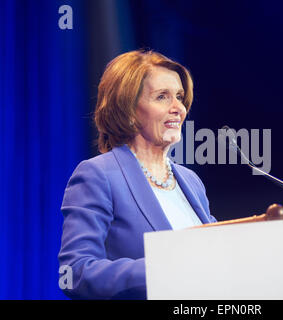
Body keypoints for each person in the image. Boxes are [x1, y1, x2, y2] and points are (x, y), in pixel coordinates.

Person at [58, 50, 217, 299]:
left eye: (179, 97)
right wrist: (161, 268)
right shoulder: (99, 175)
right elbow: (75, 272)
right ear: (128, 110)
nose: (178, 108)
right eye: (162, 97)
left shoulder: (191, 181)